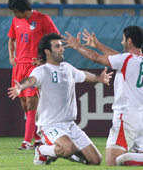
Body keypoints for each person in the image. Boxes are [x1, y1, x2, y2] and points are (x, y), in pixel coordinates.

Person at [8, 33, 111, 165]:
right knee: (69, 148)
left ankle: (56, 152)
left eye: (61, 46)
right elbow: (31, 80)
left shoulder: (67, 68)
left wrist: (99, 79)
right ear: (47, 51)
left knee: (96, 160)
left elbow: (83, 75)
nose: (62, 49)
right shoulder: (42, 70)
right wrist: (20, 87)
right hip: (50, 125)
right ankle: (41, 151)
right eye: (57, 46)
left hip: (70, 125)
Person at [62, 26, 143, 166]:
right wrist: (98, 45)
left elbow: (96, 58)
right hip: (140, 115)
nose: (122, 42)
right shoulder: (135, 60)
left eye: (123, 39)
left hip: (127, 116)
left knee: (112, 161)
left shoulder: (126, 60)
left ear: (129, 41)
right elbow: (118, 58)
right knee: (137, 156)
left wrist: (78, 46)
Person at [7, 0, 60, 150]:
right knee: (24, 105)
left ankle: (26, 142)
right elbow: (11, 38)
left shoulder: (43, 19)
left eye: (16, 11)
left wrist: (44, 58)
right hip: (19, 67)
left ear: (24, 9)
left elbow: (57, 39)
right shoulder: (16, 20)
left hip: (34, 67)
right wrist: (11, 55)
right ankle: (38, 137)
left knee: (31, 103)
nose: (14, 15)